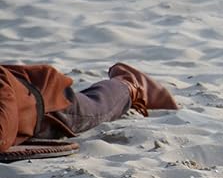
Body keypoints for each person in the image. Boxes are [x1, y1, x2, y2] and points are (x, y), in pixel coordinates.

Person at [0, 62, 179, 158]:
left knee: (96, 108)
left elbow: (4, 134)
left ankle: (129, 84)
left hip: (46, 101)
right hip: (25, 107)